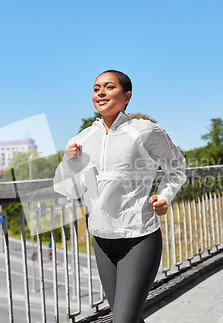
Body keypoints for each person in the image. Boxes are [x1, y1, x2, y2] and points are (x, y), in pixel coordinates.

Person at [54, 70, 186, 323]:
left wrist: (164, 197)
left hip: (138, 236)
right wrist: (70, 163)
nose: (101, 92)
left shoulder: (145, 131)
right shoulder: (81, 139)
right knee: (128, 319)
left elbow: (176, 167)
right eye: (96, 88)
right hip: (102, 238)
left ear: (127, 96)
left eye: (109, 87)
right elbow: (70, 190)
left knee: (123, 321)